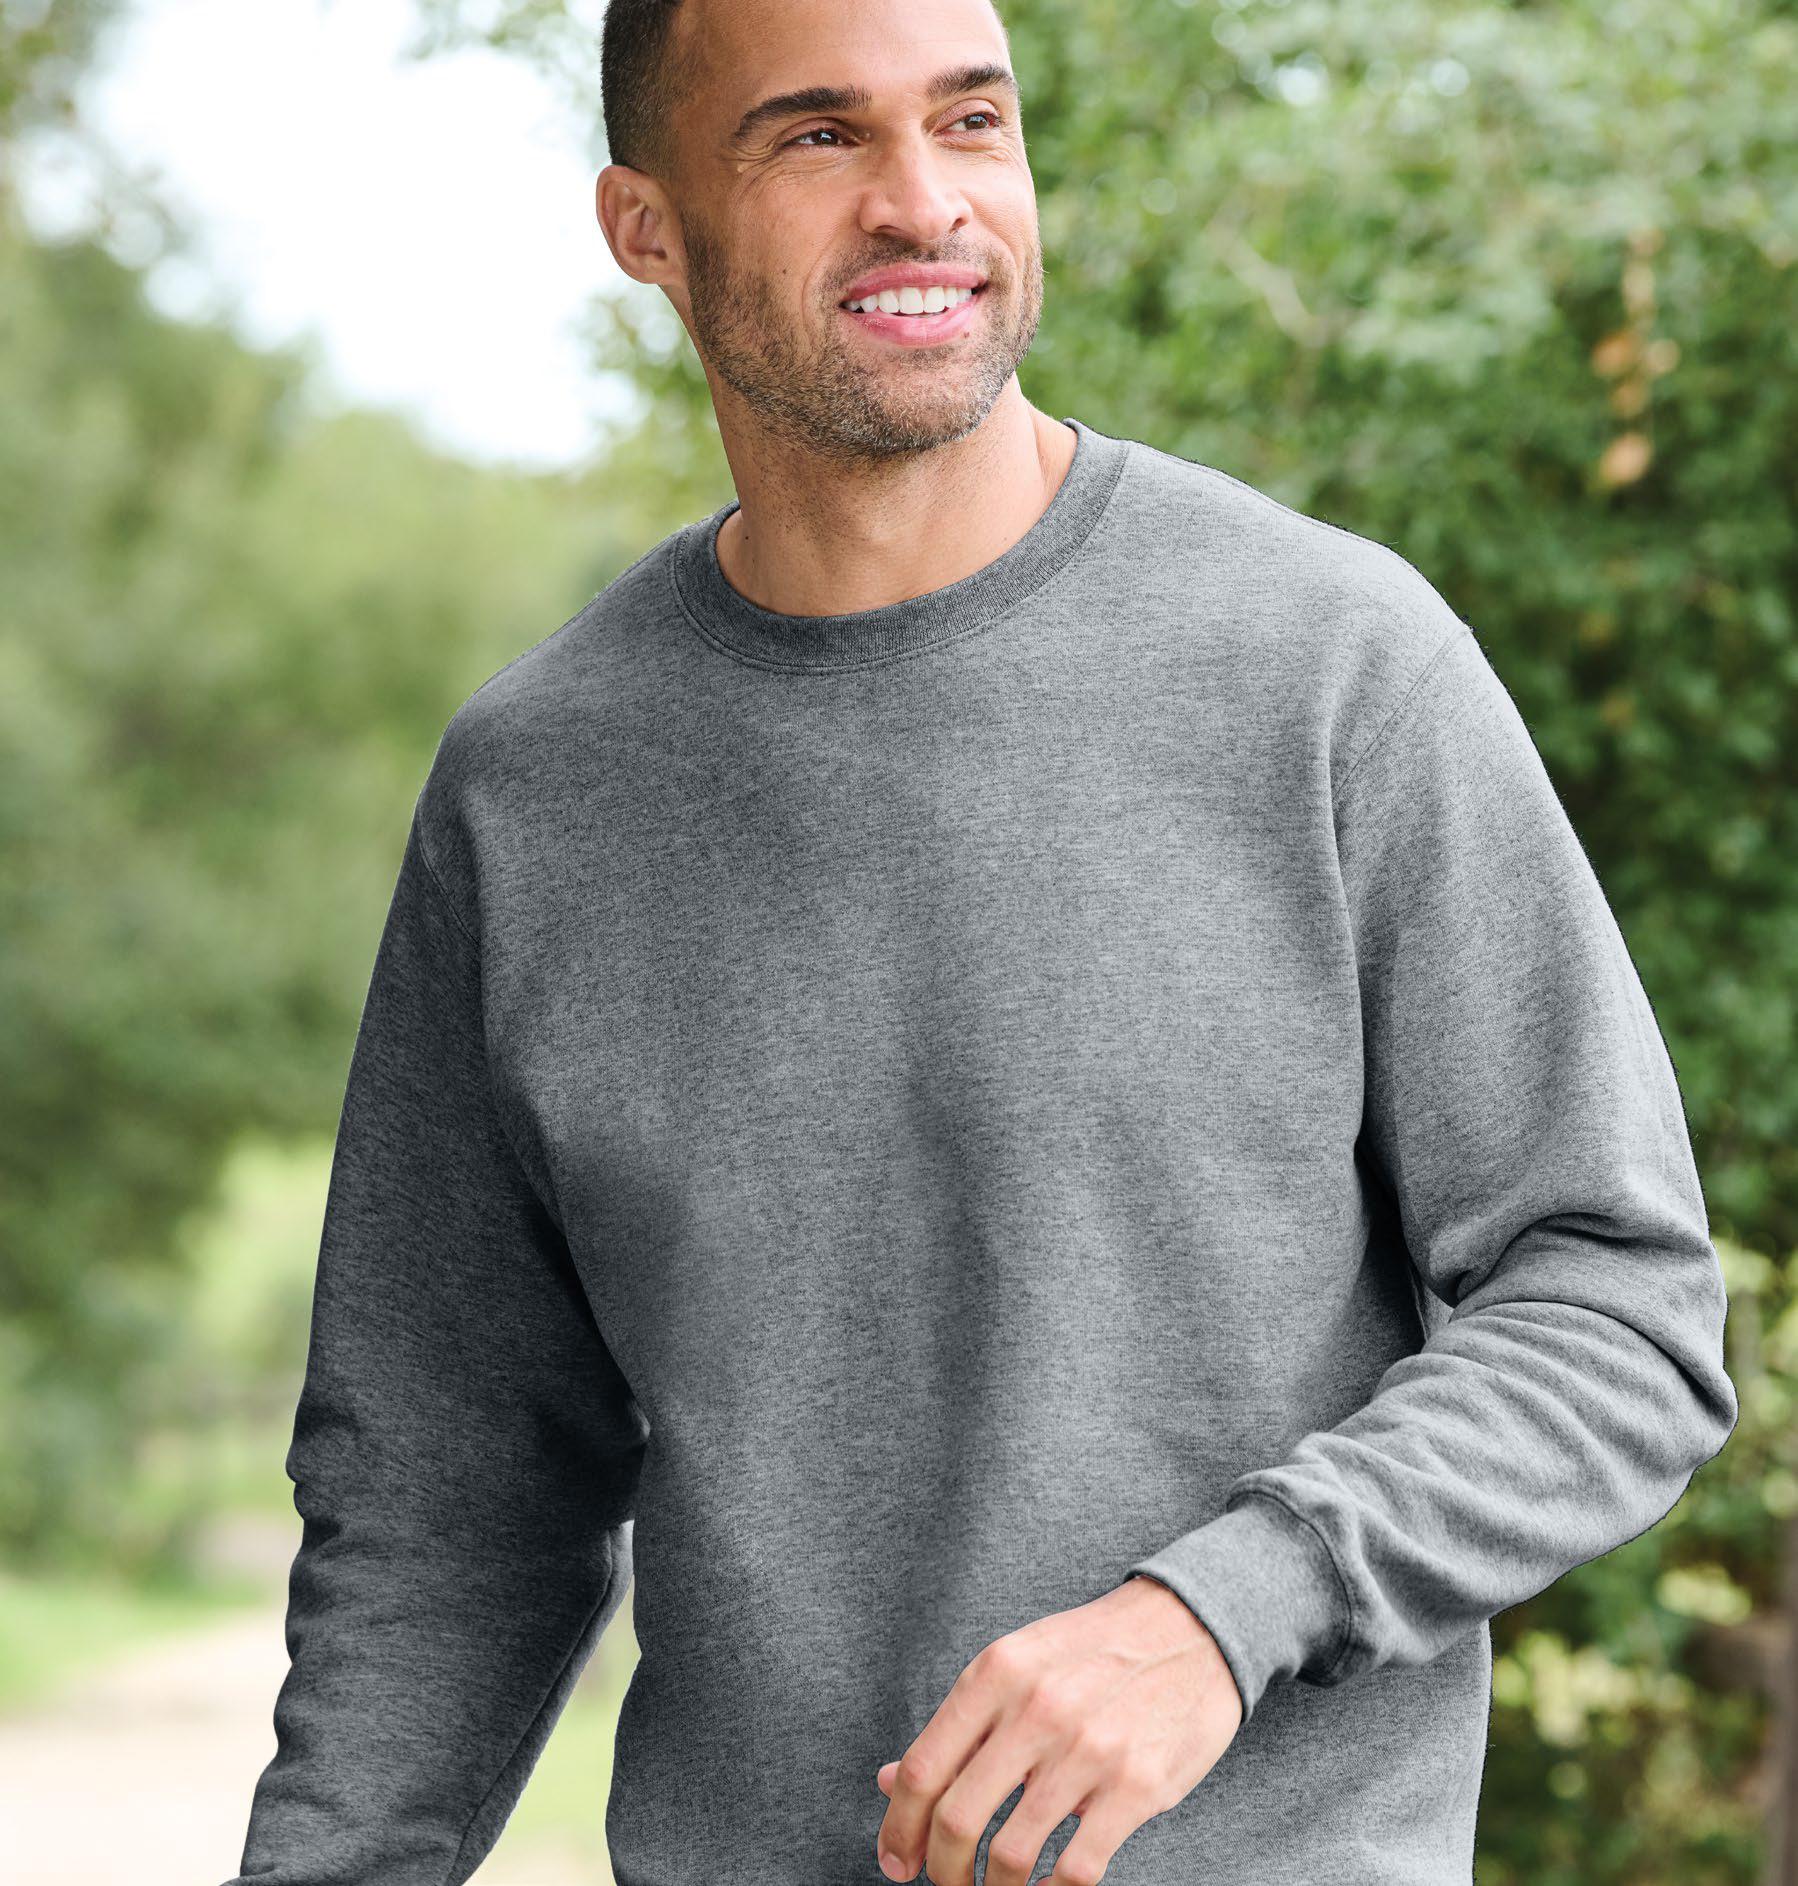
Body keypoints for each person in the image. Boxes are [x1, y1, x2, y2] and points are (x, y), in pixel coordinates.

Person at [221, 0, 1739, 1882]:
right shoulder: (536, 793)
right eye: (817, 136)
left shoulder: (1331, 668)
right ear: (646, 227)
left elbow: (1618, 1308)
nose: (922, 202)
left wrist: (1226, 1606)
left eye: (969, 121)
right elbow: (443, 1498)